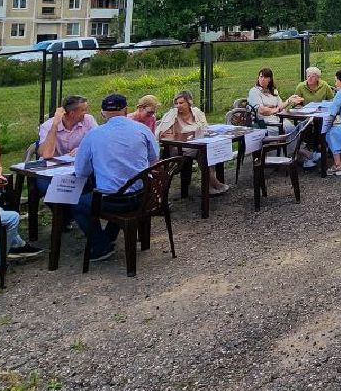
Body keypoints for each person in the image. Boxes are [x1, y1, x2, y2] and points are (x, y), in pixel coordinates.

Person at [70, 93, 159, 262]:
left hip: (113, 201)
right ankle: (109, 236)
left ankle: (100, 245)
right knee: (116, 190)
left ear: (102, 113)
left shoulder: (93, 136)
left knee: (79, 203)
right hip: (143, 195)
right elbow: (154, 158)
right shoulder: (142, 129)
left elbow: (81, 172)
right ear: (126, 110)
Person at [157, 90, 228, 195]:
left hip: (197, 145)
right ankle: (212, 183)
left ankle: (210, 184)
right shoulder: (172, 115)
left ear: (189, 103)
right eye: (176, 103)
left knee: (210, 150)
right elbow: (160, 134)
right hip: (179, 148)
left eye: (181, 103)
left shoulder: (196, 113)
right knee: (202, 152)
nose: (178, 106)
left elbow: (205, 128)